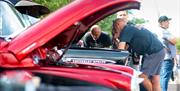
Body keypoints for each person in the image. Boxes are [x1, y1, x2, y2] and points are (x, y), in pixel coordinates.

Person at [113, 18, 165, 91]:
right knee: (155, 79)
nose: (116, 30)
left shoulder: (126, 29)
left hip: (152, 52)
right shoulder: (132, 28)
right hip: (159, 50)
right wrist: (117, 39)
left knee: (142, 76)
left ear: (118, 24)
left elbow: (121, 50)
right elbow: (126, 49)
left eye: (115, 28)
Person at [155, 16, 177, 91]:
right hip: (167, 58)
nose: (169, 23)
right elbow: (174, 41)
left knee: (162, 77)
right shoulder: (164, 31)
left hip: (163, 58)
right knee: (164, 78)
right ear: (162, 23)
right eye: (167, 21)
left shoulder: (159, 31)